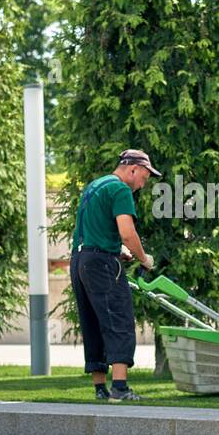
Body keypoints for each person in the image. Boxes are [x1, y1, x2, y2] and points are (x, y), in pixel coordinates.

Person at [70, 148, 159, 401]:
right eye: (144, 176)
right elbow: (128, 233)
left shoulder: (95, 186)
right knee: (119, 319)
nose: (144, 183)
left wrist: (116, 250)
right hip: (100, 264)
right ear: (132, 168)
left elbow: (91, 230)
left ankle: (100, 389)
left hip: (80, 260)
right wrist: (144, 259)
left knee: (92, 321)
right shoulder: (120, 189)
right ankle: (120, 388)